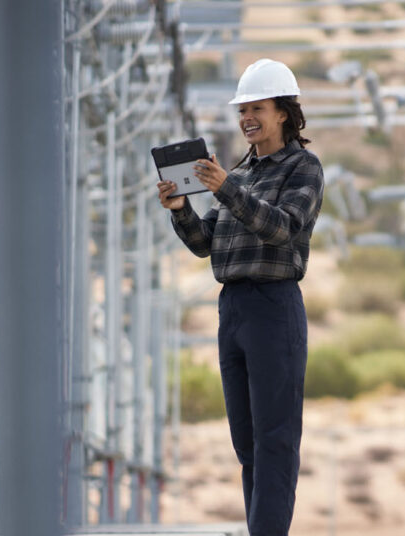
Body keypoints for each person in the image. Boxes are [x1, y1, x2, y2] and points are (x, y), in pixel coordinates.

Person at [157, 58, 324, 536]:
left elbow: (282, 228)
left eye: (257, 107)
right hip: (233, 310)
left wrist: (227, 188)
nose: (247, 117)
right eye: (242, 109)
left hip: (274, 307)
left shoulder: (303, 168)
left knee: (275, 439)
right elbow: (204, 244)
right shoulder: (238, 172)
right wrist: (181, 208)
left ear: (284, 113)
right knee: (247, 442)